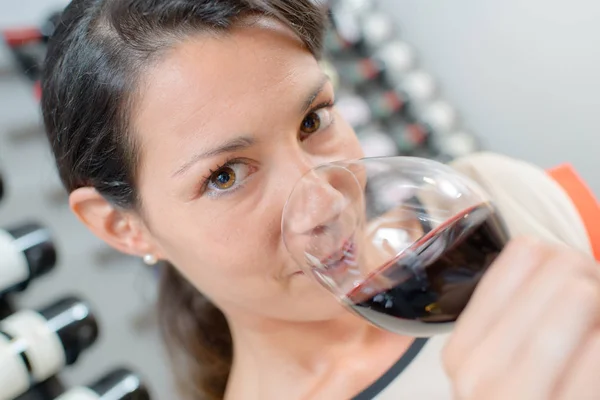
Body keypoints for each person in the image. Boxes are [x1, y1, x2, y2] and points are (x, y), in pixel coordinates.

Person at [41, 1, 600, 399]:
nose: (325, 205)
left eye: (313, 119)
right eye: (226, 176)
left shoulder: (503, 199)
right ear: (121, 226)